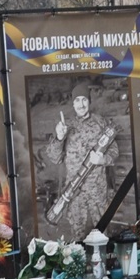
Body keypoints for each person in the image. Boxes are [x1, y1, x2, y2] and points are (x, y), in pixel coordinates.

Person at [43, 82, 120, 235]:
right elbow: (54, 158)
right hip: (74, 193)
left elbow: (114, 151)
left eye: (84, 99)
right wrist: (59, 137)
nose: (81, 104)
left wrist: (102, 159)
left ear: (89, 101)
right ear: (73, 103)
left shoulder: (101, 122)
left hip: (97, 191)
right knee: (78, 237)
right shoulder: (66, 126)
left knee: (103, 234)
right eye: (77, 100)